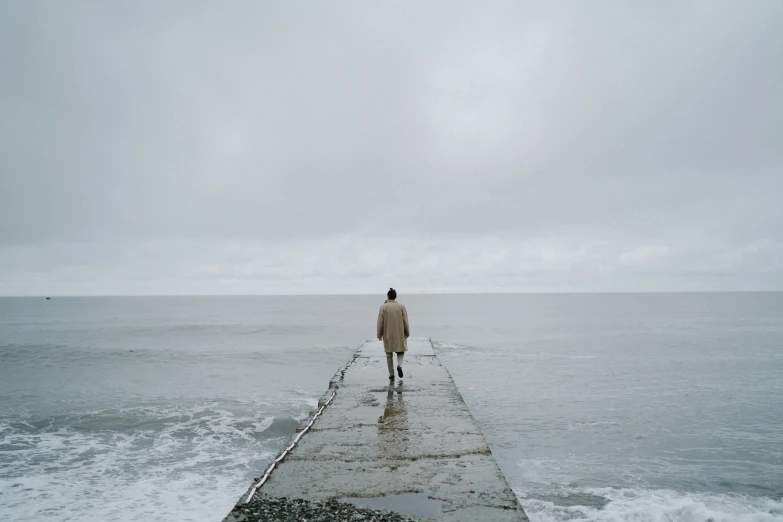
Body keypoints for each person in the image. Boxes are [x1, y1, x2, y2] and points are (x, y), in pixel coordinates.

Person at [377, 288, 409, 380]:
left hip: (387, 333)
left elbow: (380, 322)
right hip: (399, 332)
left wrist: (379, 334)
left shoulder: (383, 307)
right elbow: (405, 321)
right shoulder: (401, 306)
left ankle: (391, 374)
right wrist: (407, 332)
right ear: (395, 297)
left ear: (388, 296)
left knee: (389, 353)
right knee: (400, 350)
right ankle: (399, 365)